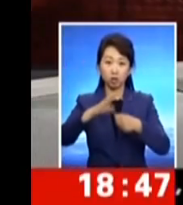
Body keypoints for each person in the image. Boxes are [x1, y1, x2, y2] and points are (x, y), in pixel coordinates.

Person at [60, 33, 171, 166]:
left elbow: (163, 146)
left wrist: (138, 125)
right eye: (108, 62)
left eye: (121, 63)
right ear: (98, 67)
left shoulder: (144, 102)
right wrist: (91, 113)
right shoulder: (85, 102)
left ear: (130, 69)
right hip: (99, 179)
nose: (114, 70)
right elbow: (64, 138)